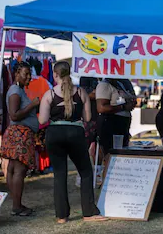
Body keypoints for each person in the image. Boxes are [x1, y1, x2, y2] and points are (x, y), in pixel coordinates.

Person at [39, 62, 108, 223]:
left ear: (55, 75)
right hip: (75, 133)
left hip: (55, 133)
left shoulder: (49, 94)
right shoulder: (81, 92)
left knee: (59, 174)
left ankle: (62, 216)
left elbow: (42, 119)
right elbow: (88, 118)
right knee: (85, 172)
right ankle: (89, 212)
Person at [0, 62, 39, 216]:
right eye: (25, 74)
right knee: (19, 170)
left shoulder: (17, 89)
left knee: (12, 169)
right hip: (19, 135)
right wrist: (33, 105)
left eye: (30, 74)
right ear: (17, 73)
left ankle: (17, 203)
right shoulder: (15, 90)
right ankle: (16, 206)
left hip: (18, 134)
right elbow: (14, 115)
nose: (29, 77)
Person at [96, 78, 136, 155]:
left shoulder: (123, 82)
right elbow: (101, 108)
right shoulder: (105, 84)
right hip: (111, 122)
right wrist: (123, 107)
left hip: (123, 123)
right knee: (112, 151)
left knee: (122, 150)